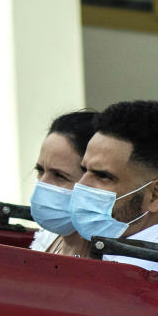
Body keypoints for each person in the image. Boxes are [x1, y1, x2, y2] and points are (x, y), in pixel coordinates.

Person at [69, 99, 158, 280]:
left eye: (103, 176)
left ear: (155, 195)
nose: (81, 185)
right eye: (84, 170)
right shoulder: (107, 252)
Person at [29, 110, 98, 257]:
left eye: (59, 176)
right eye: (40, 170)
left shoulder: (112, 260)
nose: (42, 184)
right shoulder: (47, 238)